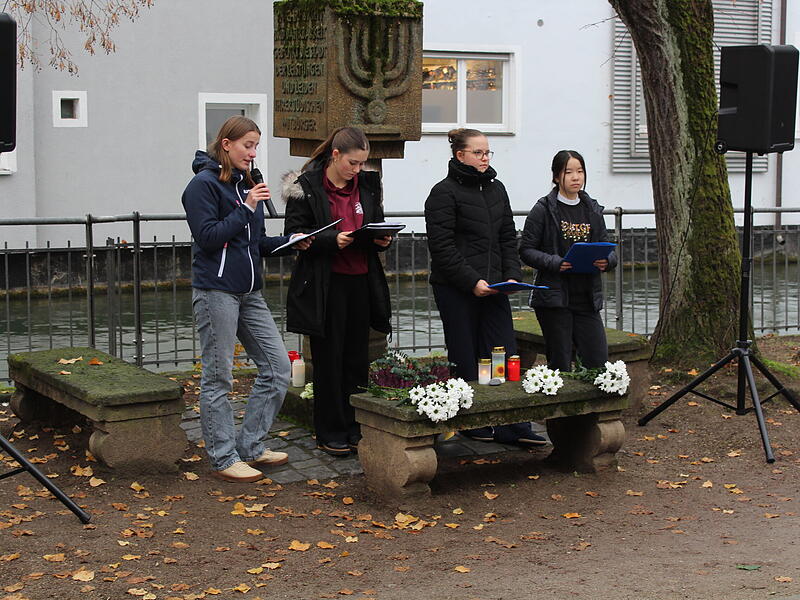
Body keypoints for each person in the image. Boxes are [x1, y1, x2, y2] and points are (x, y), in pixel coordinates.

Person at [182, 116, 311, 483]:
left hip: (249, 292)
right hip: (216, 293)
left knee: (277, 368)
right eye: (247, 145)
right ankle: (223, 456)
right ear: (226, 144)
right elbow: (209, 238)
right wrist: (247, 207)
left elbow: (252, 244)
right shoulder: (202, 186)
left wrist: (290, 242)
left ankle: (251, 445)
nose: (253, 154)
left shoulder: (243, 187)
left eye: (256, 146)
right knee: (218, 377)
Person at [424, 128, 546, 446]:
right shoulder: (442, 193)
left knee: (501, 352)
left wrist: (511, 275)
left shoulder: (496, 189)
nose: (484, 158)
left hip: (495, 287)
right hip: (457, 289)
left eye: (488, 152)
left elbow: (508, 235)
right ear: (459, 155)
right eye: (478, 153)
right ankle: (470, 418)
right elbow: (442, 247)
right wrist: (471, 282)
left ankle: (511, 422)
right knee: (465, 353)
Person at [282, 126, 392, 457]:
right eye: (353, 163)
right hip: (325, 284)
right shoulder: (306, 188)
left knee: (357, 359)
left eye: (362, 164)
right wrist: (332, 240)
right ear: (335, 156)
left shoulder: (369, 187)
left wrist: (383, 238)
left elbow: (378, 222)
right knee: (329, 360)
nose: (358, 170)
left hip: (361, 280)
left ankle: (355, 426)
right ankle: (329, 430)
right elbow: (294, 235)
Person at [519, 149, 617, 371]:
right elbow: (526, 250)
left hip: (587, 296)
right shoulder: (543, 209)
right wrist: (555, 262)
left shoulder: (592, 209)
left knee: (597, 359)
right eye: (569, 172)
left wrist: (607, 261)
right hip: (555, 297)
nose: (576, 177)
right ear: (556, 177)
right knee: (561, 362)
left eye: (580, 171)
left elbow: (608, 247)